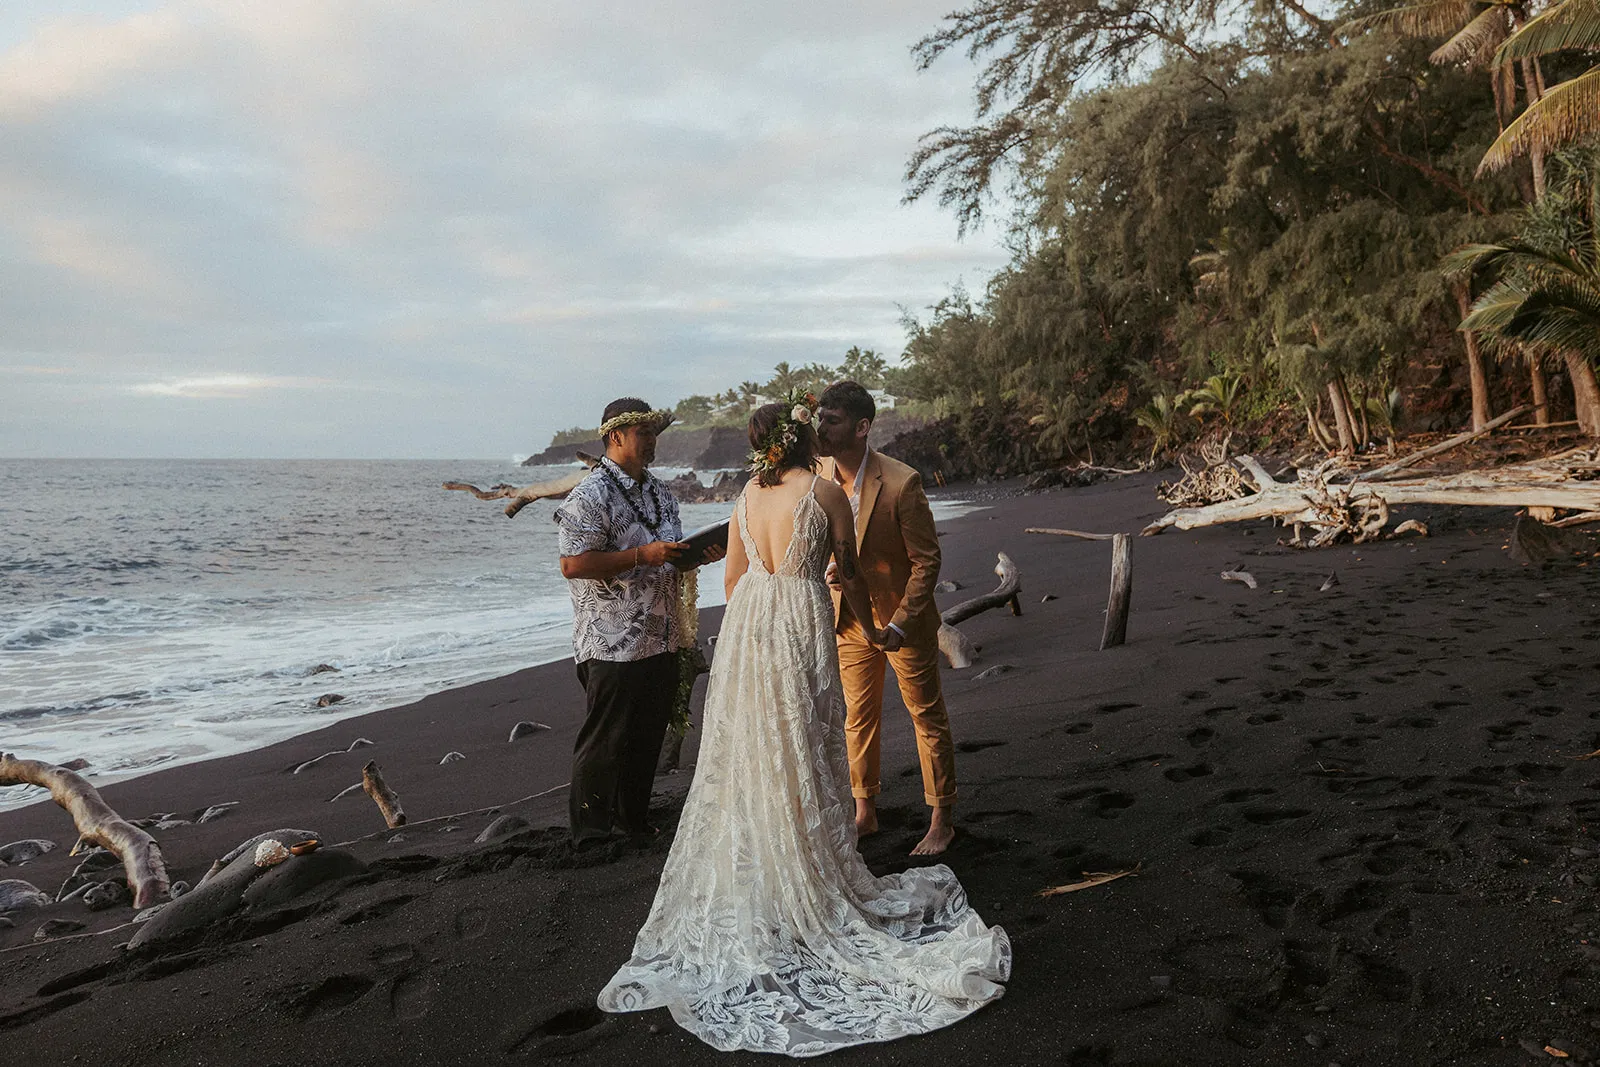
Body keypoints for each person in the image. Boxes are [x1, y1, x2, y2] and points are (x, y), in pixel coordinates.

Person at [597, 393, 1009, 1056]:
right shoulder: (823, 491)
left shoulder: (744, 498)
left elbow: (733, 578)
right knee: (809, 740)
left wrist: (760, 613)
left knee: (756, 749)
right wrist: (843, 604)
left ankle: (776, 856)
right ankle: (813, 859)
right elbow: (844, 572)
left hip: (748, 632)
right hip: (801, 622)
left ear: (760, 444)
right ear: (797, 438)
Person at [554, 397, 723, 846]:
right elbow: (572, 564)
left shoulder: (661, 493)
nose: (652, 441)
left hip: (663, 635)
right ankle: (589, 833)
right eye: (643, 433)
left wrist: (696, 556)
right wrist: (639, 556)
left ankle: (633, 820)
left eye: (654, 433)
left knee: (648, 735)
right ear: (616, 437)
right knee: (606, 740)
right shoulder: (589, 496)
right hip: (612, 640)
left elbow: (667, 558)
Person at [814, 380, 957, 856]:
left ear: (861, 427)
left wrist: (899, 622)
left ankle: (941, 818)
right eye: (819, 418)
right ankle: (865, 812)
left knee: (926, 717)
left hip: (902, 621)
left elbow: (926, 562)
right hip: (849, 620)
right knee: (858, 718)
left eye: (831, 421)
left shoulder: (902, 481)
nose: (821, 428)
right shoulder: (816, 477)